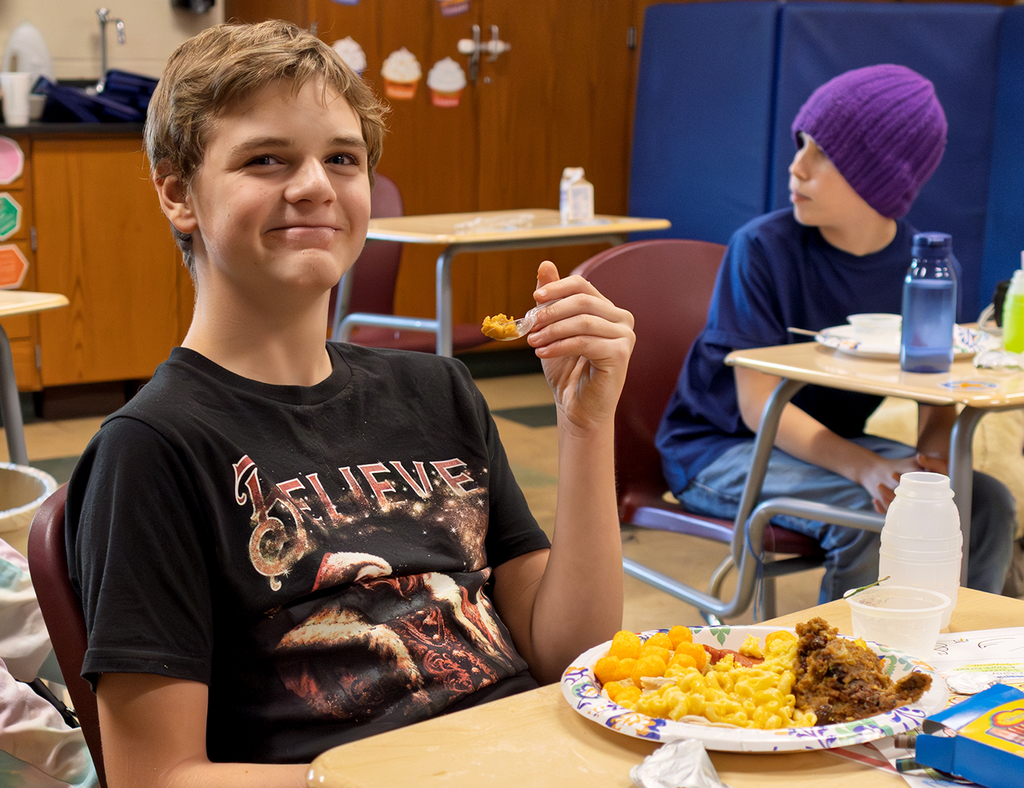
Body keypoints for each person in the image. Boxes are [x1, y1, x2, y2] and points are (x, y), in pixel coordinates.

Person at [63, 20, 634, 788]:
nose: (314, 186)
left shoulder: (437, 389)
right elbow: (157, 777)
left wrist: (584, 426)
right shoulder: (156, 447)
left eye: (343, 159)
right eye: (266, 160)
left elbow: (565, 654)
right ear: (177, 193)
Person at [656, 64, 1015, 604]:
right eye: (802, 145)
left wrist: (932, 474)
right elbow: (757, 409)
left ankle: (965, 657)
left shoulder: (927, 271)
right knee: (866, 519)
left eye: (822, 153)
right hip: (719, 450)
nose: (797, 167)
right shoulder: (762, 248)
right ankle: (846, 679)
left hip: (829, 449)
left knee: (984, 502)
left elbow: (936, 399)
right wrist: (867, 468)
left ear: (880, 177)